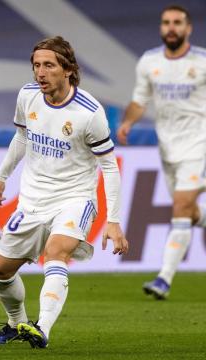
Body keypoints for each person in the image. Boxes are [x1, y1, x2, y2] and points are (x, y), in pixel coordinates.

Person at [0, 36, 128, 348]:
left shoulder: (90, 112)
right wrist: (0, 177)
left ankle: (42, 328)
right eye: (36, 65)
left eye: (48, 65)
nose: (40, 72)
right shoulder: (28, 96)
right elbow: (21, 137)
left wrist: (113, 221)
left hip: (74, 198)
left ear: (68, 70)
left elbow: (110, 167)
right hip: (32, 200)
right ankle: (17, 323)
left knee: (56, 251)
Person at [117, 5, 206, 300]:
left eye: (178, 23)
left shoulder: (203, 62)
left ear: (188, 28)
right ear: (160, 28)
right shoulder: (149, 62)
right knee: (190, 212)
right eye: (166, 22)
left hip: (199, 144)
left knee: (180, 206)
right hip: (167, 146)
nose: (171, 27)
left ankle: (163, 278)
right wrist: (128, 121)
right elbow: (140, 99)